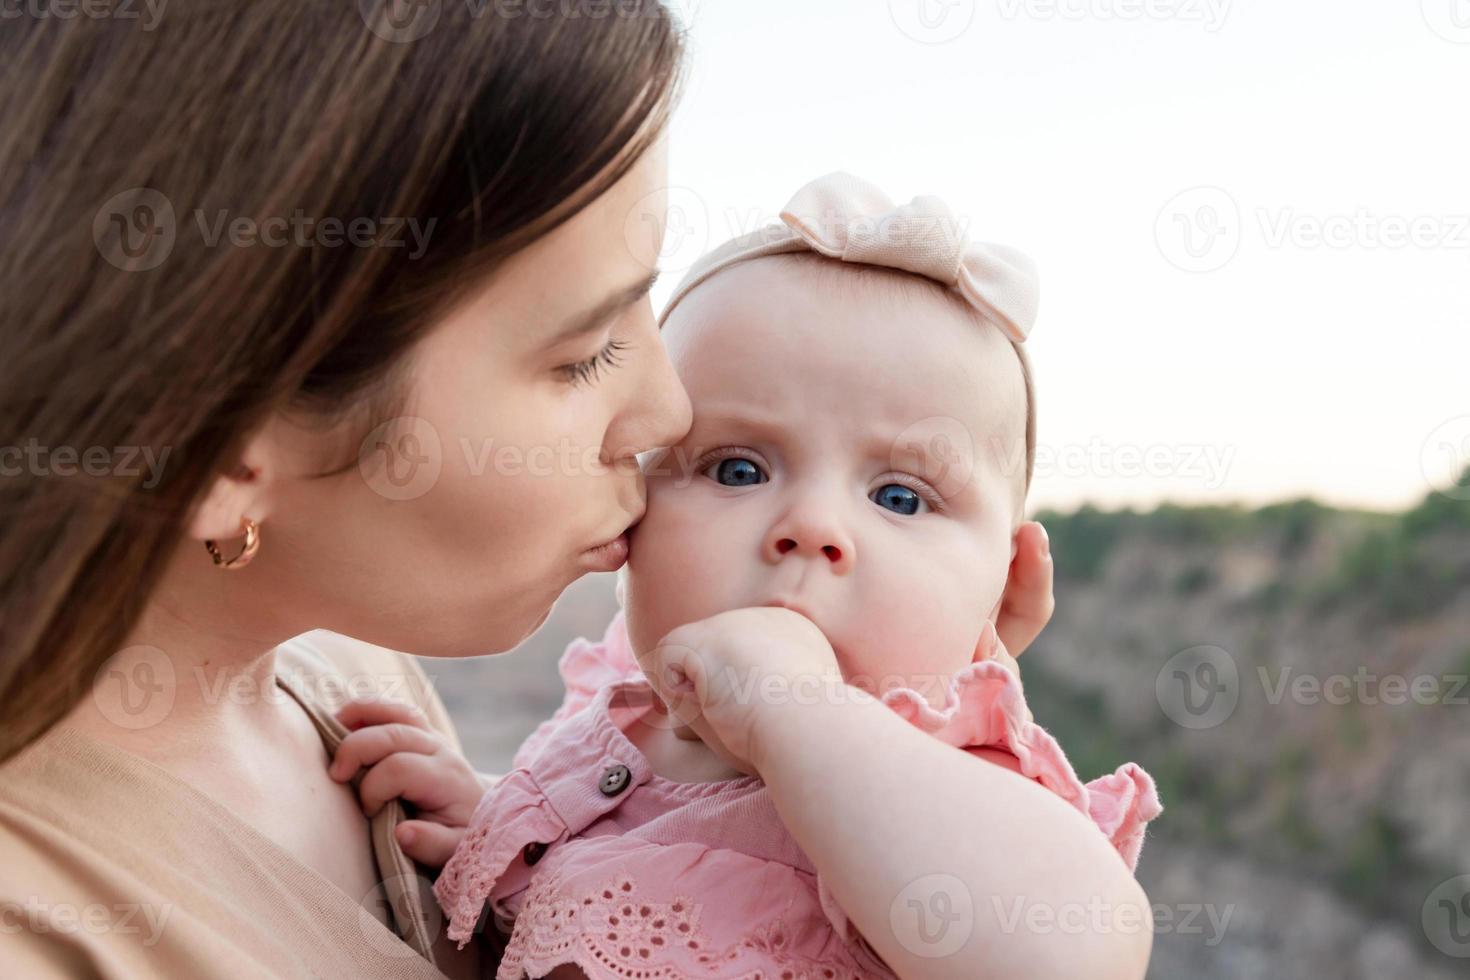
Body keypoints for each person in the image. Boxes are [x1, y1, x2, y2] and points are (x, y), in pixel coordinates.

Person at [0, 7, 1091, 980]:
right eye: (583, 354)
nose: (669, 416)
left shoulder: (350, 672)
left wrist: (503, 834)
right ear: (220, 444)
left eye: (901, 498)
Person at [332, 175, 1159, 979]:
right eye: (736, 470)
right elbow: (627, 887)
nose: (812, 529)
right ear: (631, 515)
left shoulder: (949, 783)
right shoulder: (620, 724)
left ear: (1005, 586)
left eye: (900, 496)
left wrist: (797, 712)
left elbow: (1073, 952)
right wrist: (501, 823)